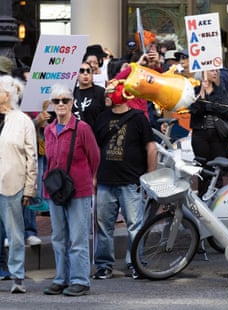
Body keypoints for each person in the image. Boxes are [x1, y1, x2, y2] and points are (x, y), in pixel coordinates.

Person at [92, 79, 157, 280]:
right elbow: (95, 150)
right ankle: (104, 265)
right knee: (103, 226)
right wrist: (94, 176)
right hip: (105, 180)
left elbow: (151, 148)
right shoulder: (102, 118)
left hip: (130, 181)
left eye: (110, 93)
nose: (106, 96)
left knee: (134, 225)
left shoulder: (138, 118)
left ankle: (135, 263)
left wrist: (149, 176)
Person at [42, 84, 100, 297]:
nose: (60, 104)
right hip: (55, 191)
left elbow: (94, 156)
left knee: (77, 237)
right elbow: (49, 160)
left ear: (72, 102)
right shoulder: (48, 130)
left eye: (65, 100)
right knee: (58, 237)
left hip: (78, 189)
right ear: (52, 104)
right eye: (56, 101)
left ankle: (79, 280)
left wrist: (90, 179)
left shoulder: (82, 128)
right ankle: (61, 278)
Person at [0, 75, 37, 294]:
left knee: (14, 233)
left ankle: (17, 276)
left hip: (13, 184)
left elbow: (31, 157)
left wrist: (30, 188)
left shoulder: (22, 120)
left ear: (8, 94)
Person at [190, 69, 228, 196]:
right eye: (212, 70)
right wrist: (203, 94)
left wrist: (209, 105)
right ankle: (202, 199)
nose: (215, 73)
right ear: (203, 73)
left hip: (217, 134)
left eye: (216, 71)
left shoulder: (221, 90)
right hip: (200, 134)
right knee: (203, 169)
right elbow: (194, 110)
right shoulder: (196, 90)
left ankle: (217, 199)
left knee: (217, 169)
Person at [72, 61, 107, 130]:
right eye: (81, 71)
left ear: (92, 74)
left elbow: (107, 115)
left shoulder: (101, 92)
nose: (85, 73)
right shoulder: (71, 93)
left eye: (88, 71)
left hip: (95, 136)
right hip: (76, 136)